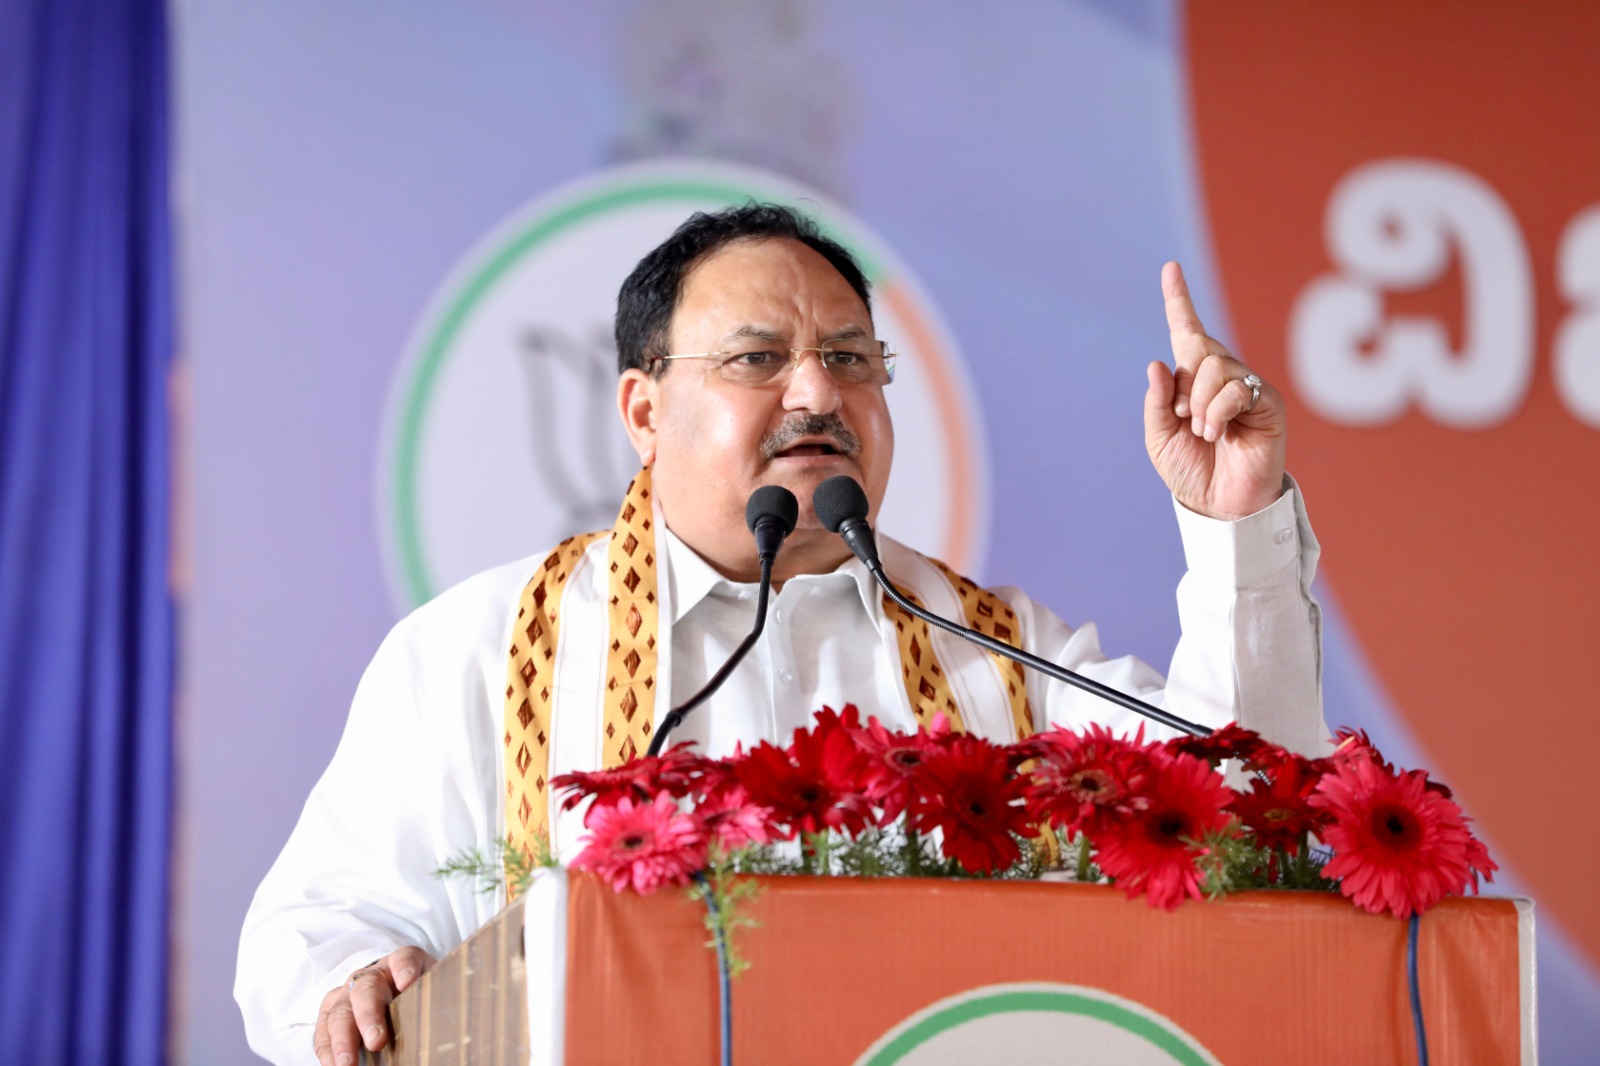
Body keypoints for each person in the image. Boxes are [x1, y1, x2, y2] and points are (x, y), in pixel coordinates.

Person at [236, 204, 1327, 1065]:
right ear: (643, 411)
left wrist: (1238, 523)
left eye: (853, 359)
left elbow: (1250, 809)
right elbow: (313, 929)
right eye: (758, 359)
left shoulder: (995, 655)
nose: (819, 392)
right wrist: (348, 983)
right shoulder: (483, 650)